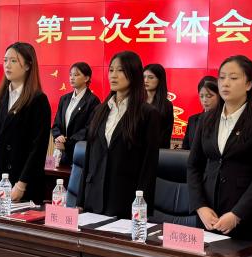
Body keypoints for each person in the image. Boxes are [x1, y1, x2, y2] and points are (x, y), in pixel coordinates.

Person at [187, 56, 252, 240]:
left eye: (233, 78)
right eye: (222, 77)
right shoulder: (206, 119)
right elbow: (194, 165)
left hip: (246, 221)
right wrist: (200, 206)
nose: (225, 83)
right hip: (208, 217)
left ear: (249, 84)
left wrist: (237, 214)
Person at [78, 51, 161, 217]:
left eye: (120, 70)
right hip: (93, 200)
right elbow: (89, 157)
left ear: (134, 74)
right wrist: (80, 201)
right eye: (111, 70)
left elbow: (148, 166)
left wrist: (141, 208)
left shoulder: (147, 113)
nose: (113, 75)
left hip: (125, 201)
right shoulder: (99, 110)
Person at [0, 42, 51, 203]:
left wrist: (21, 184)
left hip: (23, 184)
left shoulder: (38, 100)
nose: (7, 65)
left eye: (14, 61)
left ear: (28, 66)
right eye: (5, 60)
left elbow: (38, 148)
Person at [51, 62, 101, 167]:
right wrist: (58, 136)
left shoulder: (93, 101)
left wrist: (67, 144)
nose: (72, 78)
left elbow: (89, 129)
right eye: (70, 74)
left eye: (76, 75)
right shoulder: (64, 99)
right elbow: (56, 124)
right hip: (61, 154)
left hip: (80, 154)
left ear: (86, 78)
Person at [182, 75, 218, 151]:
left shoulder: (224, 120)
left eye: (209, 96)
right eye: (201, 96)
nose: (204, 100)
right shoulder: (192, 120)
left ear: (219, 96)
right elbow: (185, 149)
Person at [144, 63, 174, 148]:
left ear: (159, 80)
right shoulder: (135, 102)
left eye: (151, 77)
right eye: (144, 77)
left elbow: (166, 135)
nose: (146, 80)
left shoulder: (167, 105)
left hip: (157, 150)